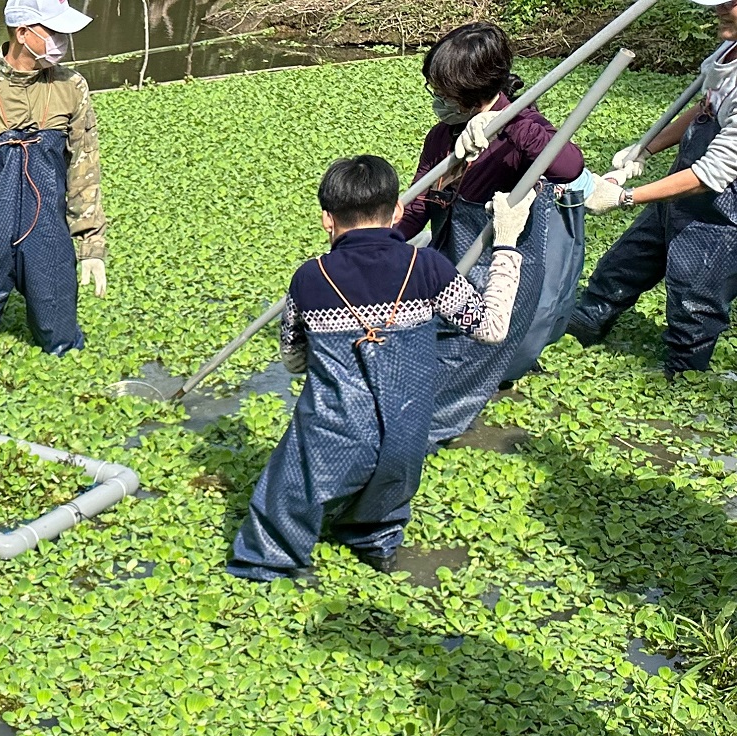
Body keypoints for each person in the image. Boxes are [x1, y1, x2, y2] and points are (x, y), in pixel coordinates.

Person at [229, 157, 531, 582]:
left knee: (282, 504)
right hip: (406, 437)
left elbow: (294, 361)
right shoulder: (427, 267)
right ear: (396, 213)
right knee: (385, 503)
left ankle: (266, 570)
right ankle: (374, 543)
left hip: (330, 438)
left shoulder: (310, 278)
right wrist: (506, 244)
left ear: (326, 220)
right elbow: (492, 327)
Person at [398, 22, 588, 444]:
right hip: (452, 262)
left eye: (445, 95)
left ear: (475, 91)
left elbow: (569, 168)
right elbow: (419, 203)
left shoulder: (523, 130)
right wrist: (379, 239)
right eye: (435, 92)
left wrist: (503, 123)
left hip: (503, 268)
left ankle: (426, 441)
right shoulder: (442, 136)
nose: (438, 102)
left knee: (462, 366)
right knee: (432, 354)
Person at [567, 0, 737, 378]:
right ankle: (575, 334)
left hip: (721, 216)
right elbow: (706, 108)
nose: (719, 10)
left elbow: (711, 175)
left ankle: (684, 384)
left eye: (731, 2)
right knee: (619, 269)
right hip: (678, 198)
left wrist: (624, 197)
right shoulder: (728, 51)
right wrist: (646, 147)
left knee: (694, 306)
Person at [0, 0, 106, 366]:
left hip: (48, 239)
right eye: (54, 33)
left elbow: (84, 170)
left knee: (64, 348)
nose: (64, 41)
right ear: (23, 33)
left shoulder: (71, 87)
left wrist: (91, 246)